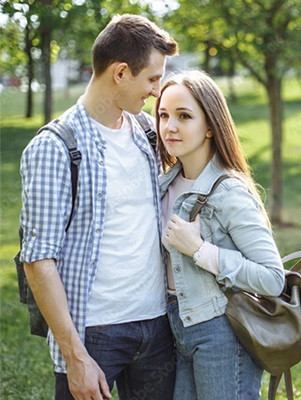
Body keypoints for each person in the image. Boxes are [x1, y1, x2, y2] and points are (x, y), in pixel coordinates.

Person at [19, 14, 178, 400]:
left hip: (157, 326)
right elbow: (38, 260)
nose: (158, 92)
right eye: (152, 79)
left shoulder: (146, 132)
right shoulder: (54, 147)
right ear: (121, 73)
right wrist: (76, 357)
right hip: (95, 334)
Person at [156, 70, 285, 400]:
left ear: (210, 125)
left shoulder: (228, 191)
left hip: (221, 332)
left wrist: (199, 250)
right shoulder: (163, 185)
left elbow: (273, 278)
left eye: (184, 116)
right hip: (177, 327)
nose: (170, 126)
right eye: (164, 115)